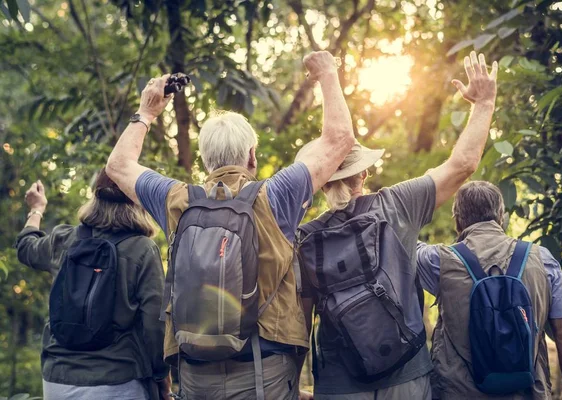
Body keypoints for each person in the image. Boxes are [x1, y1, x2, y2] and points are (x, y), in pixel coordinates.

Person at [105, 50, 354, 399]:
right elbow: (340, 139)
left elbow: (117, 167)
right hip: (264, 372)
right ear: (252, 155)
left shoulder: (176, 200)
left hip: (193, 374)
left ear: (206, 160)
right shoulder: (276, 195)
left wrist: (147, 112)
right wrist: (328, 73)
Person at [297, 51, 498, 399]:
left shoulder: (305, 238)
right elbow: (463, 163)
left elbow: (300, 322)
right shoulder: (397, 204)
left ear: (323, 182)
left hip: (338, 384)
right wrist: (484, 102)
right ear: (363, 172)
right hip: (406, 377)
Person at [416, 181, 562, 400]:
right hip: (527, 393)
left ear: (458, 219)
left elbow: (403, 240)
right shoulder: (543, 260)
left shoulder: (439, 261)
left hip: (458, 392)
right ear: (501, 216)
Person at [15, 169, 171, 400]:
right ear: (138, 200)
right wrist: (161, 377)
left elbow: (26, 247)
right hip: (118, 381)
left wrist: (36, 209)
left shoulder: (66, 239)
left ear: (95, 197)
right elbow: (155, 326)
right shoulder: (142, 250)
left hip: (58, 379)